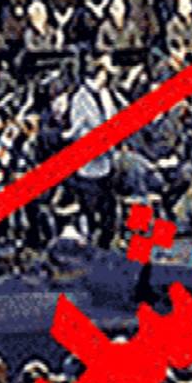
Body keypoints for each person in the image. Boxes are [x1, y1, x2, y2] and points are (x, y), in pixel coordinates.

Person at [64, 60, 118, 248]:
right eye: (104, 74)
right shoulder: (80, 98)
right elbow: (78, 128)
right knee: (90, 206)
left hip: (106, 158)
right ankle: (91, 243)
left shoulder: (105, 95)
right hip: (89, 160)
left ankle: (105, 242)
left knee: (108, 207)